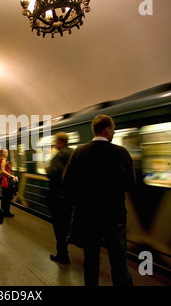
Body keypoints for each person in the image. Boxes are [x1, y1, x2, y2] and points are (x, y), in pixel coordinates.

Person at [63, 115, 136, 286]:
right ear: (106, 130)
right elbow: (131, 185)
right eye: (113, 129)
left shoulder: (78, 153)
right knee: (119, 261)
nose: (114, 132)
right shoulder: (121, 153)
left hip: (88, 217)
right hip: (115, 217)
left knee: (91, 260)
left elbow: (67, 183)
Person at [45, 132, 74, 264]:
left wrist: (48, 170)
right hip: (71, 197)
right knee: (68, 224)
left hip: (58, 197)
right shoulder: (74, 153)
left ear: (60, 142)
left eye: (55, 142)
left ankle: (62, 254)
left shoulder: (58, 155)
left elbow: (54, 174)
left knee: (59, 227)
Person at [0, 149, 16, 217]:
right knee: (7, 197)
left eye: (7, 152)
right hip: (5, 180)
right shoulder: (3, 160)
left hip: (5, 179)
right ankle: (7, 212)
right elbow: (2, 170)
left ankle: (4, 211)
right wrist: (11, 175)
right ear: (2, 153)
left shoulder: (4, 160)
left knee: (5, 197)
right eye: (5, 152)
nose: (7, 153)